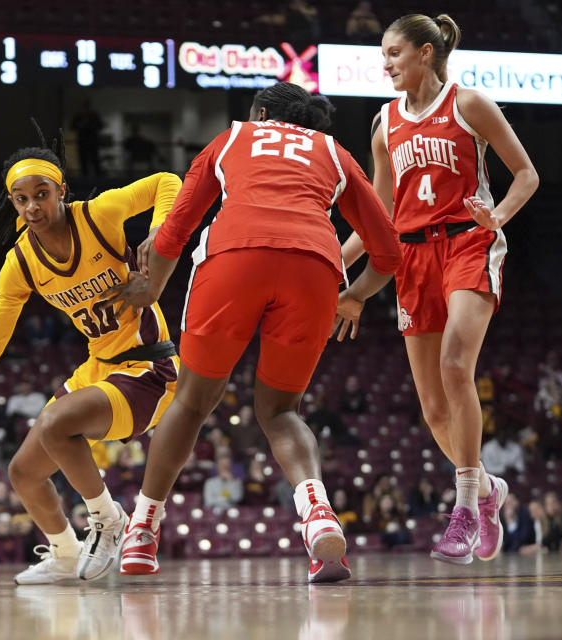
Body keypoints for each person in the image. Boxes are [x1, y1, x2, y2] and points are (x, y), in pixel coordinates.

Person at [109, 81, 401, 583]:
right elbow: (389, 251)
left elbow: (176, 231)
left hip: (234, 259)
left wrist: (151, 291)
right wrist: (355, 296)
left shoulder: (234, 137)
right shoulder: (333, 151)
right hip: (315, 266)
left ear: (261, 113)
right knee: (281, 412)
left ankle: (142, 529)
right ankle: (317, 513)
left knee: (193, 403)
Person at [0, 129, 182, 584]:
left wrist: (158, 232)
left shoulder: (99, 215)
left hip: (149, 366)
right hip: (100, 367)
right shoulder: (20, 263)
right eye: (21, 199)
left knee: (56, 424)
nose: (32, 206)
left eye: (41, 194)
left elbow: (166, 181)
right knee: (23, 472)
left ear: (61, 192)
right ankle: (66, 553)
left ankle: (110, 521)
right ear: (12, 202)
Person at [340, 13, 539, 565]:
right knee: (432, 407)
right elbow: (378, 215)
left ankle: (466, 508)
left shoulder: (468, 104)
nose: (385, 65)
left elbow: (527, 175)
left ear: (426, 53)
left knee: (456, 366)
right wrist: (332, 257)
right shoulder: (384, 123)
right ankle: (490, 489)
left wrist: (494, 216)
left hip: (469, 243)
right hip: (411, 256)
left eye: (394, 54)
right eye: (383, 55)